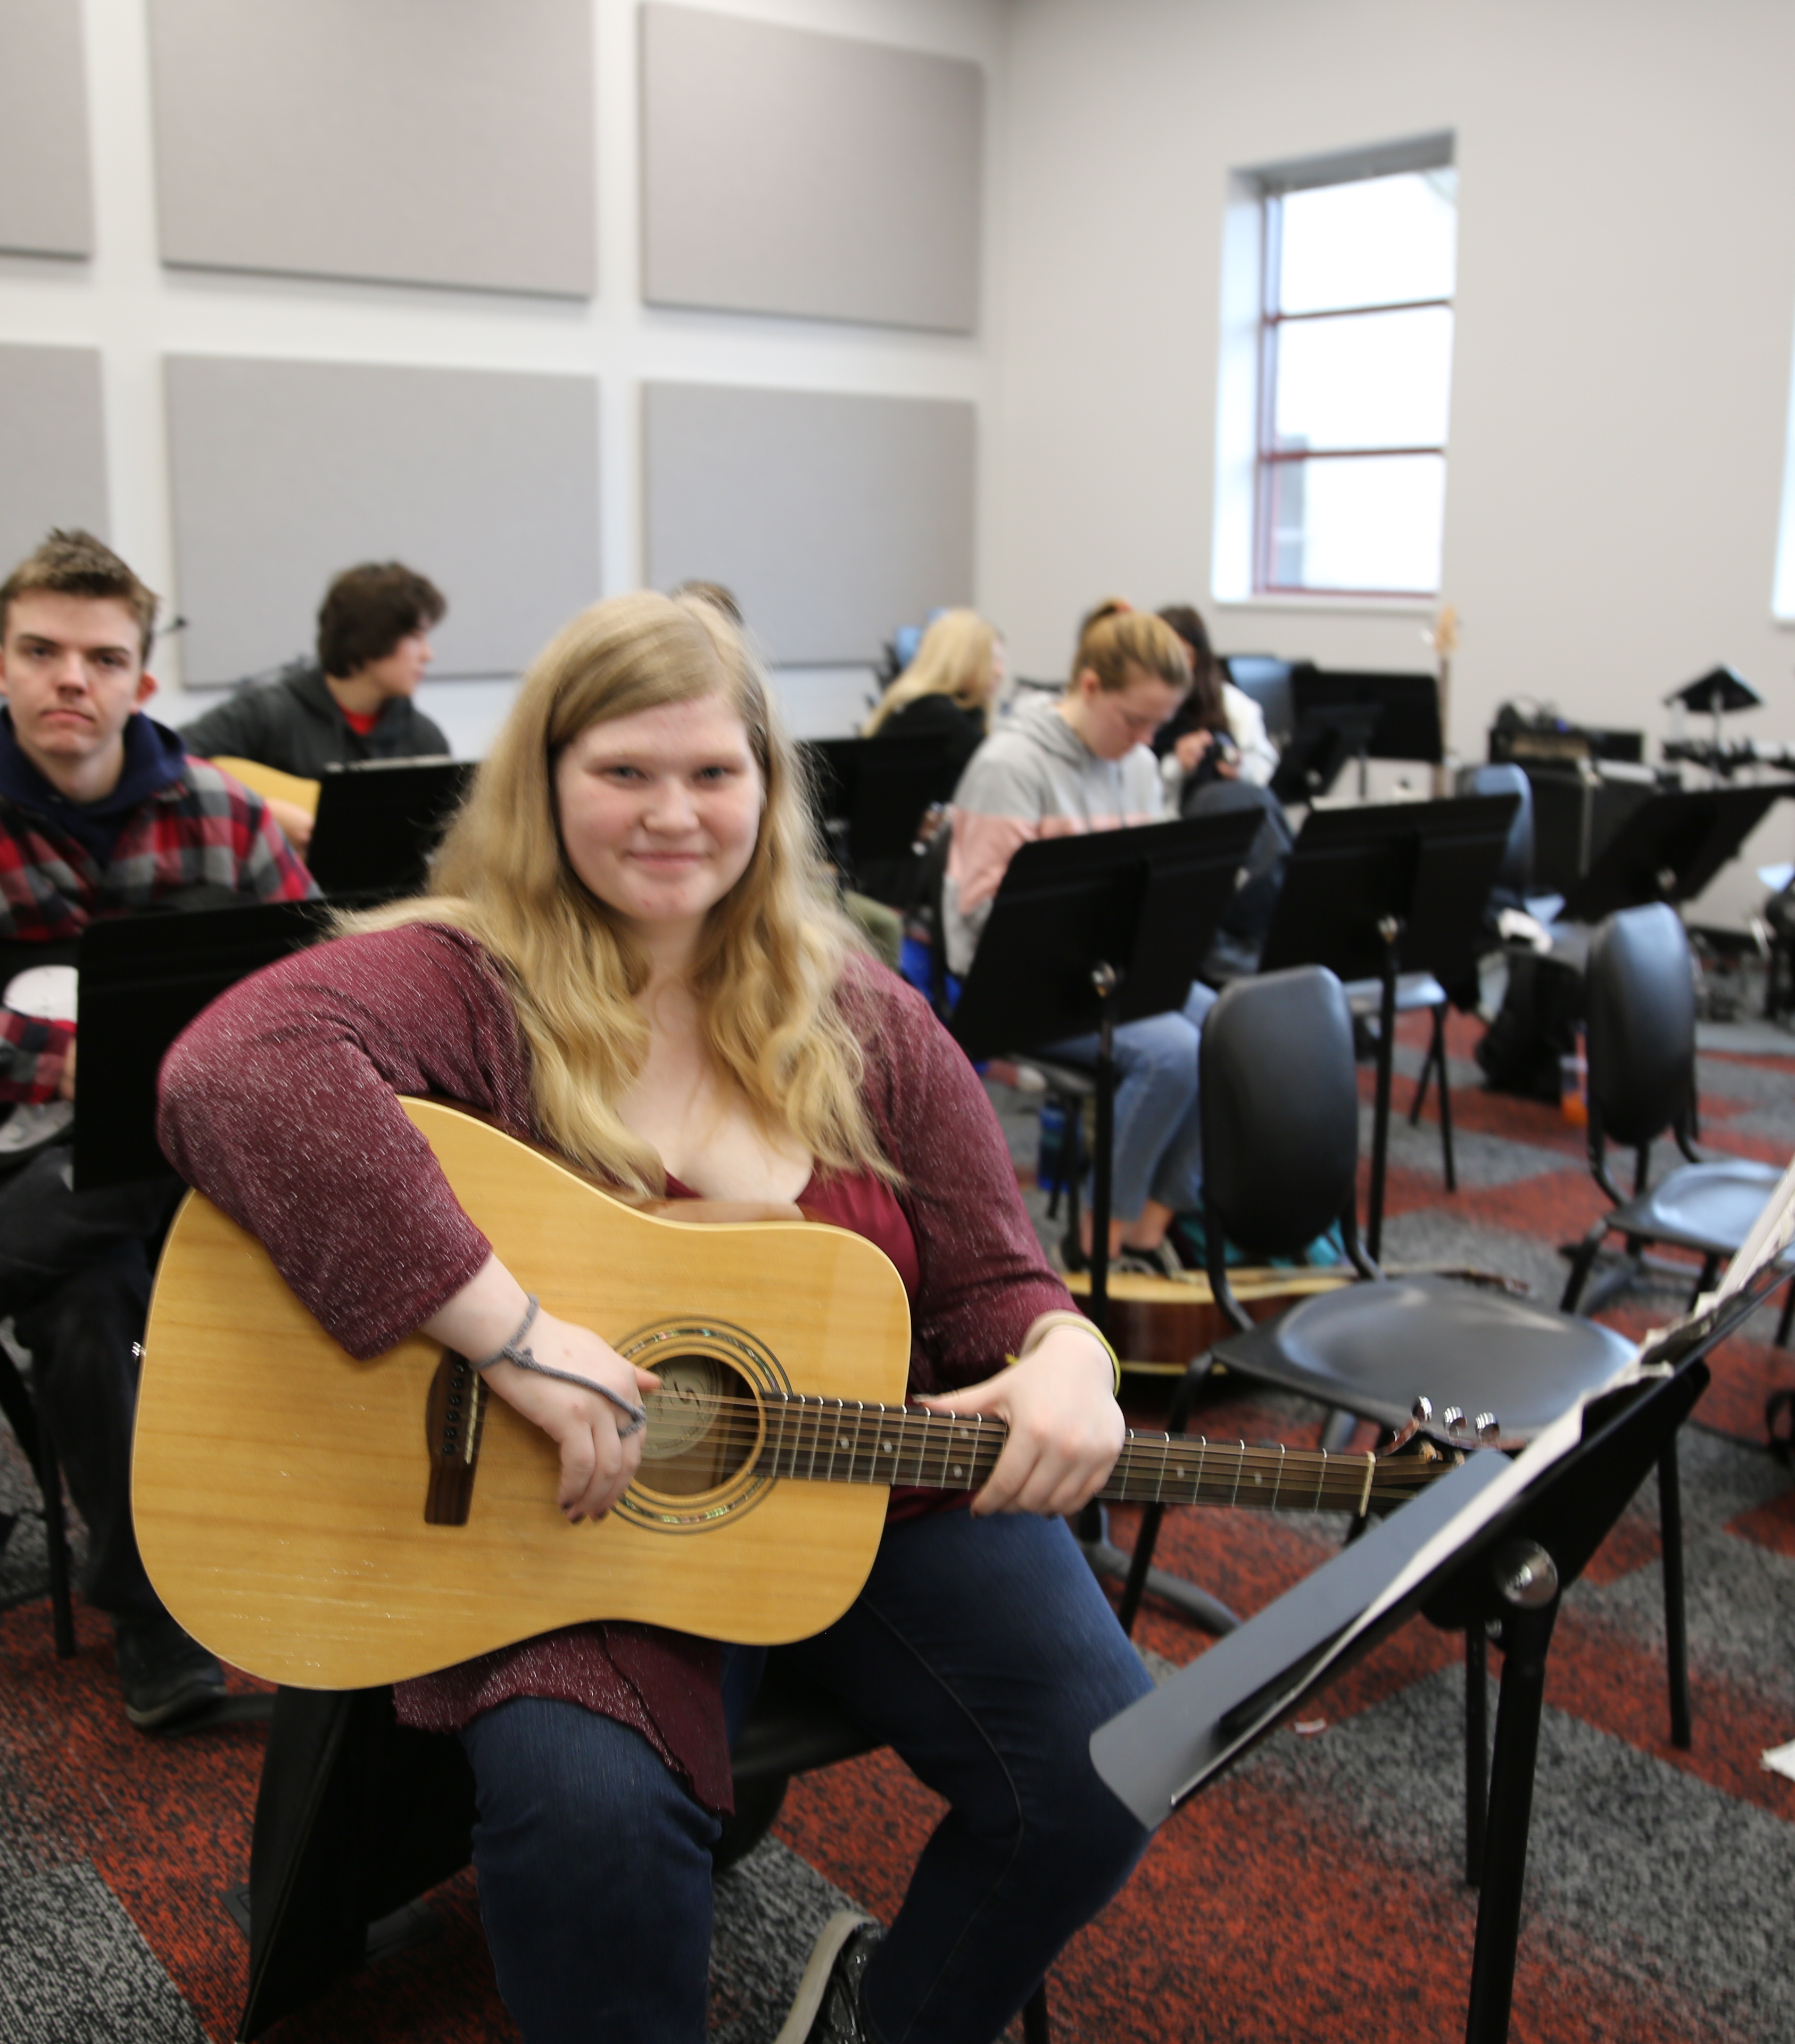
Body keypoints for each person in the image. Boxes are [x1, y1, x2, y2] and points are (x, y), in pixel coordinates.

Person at [156, 590, 1151, 2044]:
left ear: (766, 786)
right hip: (574, 1522)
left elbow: (999, 1280)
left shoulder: (855, 1009)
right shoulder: (469, 979)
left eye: (712, 773)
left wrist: (1074, 1360)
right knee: (588, 1814)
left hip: (863, 1483)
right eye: (624, 773)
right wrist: (511, 1332)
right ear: (547, 784)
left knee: (1102, 1762)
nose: (672, 814)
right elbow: (229, 1070)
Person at [0, 528, 312, 1732]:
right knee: (84, 1312)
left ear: (141, 678)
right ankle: (150, 1613)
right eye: (41, 650)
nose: (69, 678)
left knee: (177, 1150)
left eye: (101, 655)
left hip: (197, 1162)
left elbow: (309, 993)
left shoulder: (228, 822)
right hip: (16, 1169)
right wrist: (58, 1057)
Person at [940, 607, 1216, 1273]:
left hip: (1106, 970)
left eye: (1159, 723)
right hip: (1017, 983)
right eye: (1133, 720)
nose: (1146, 739)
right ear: (1089, 687)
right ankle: (1098, 1246)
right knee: (1173, 1053)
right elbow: (978, 913)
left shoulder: (1141, 765)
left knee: (1231, 1024)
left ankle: (1151, 1229)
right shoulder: (1011, 764)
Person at [174, 561, 453, 851]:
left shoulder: (425, 738)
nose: (428, 654)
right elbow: (168, 762)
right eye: (416, 637)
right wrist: (262, 812)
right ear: (374, 636)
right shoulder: (268, 712)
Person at [1155, 603, 1281, 800]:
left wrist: (1239, 766)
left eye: (1183, 655)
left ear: (1199, 657)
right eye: (1164, 656)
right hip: (1181, 808)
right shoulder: (1143, 708)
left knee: (1261, 800)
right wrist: (1177, 765)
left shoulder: (1228, 701)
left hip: (1231, 798)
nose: (1174, 665)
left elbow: (1264, 764)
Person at [860, 607, 1002, 753]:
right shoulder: (936, 713)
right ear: (962, 661)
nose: (999, 672)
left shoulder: (916, 706)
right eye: (991, 660)